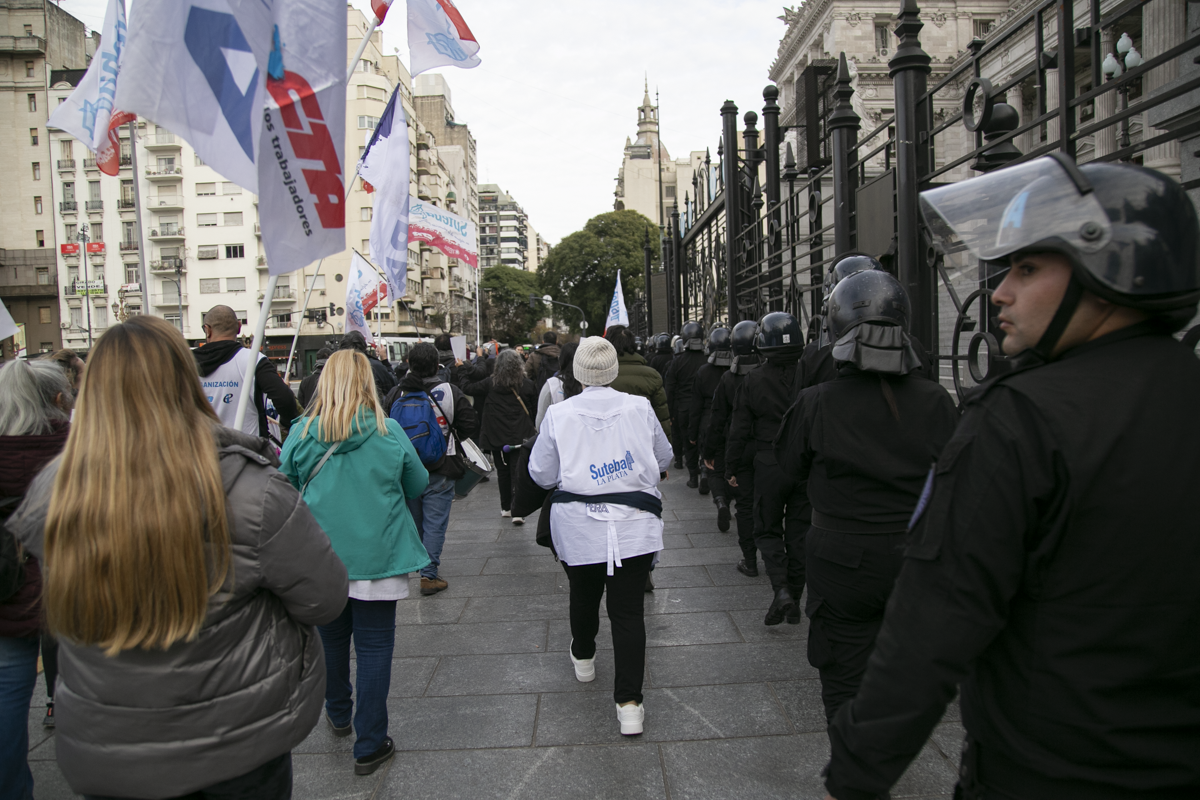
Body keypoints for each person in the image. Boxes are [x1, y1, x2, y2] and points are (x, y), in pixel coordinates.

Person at [822, 156, 1200, 800]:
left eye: (1027, 269)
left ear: (1105, 268)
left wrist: (858, 767)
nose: (999, 292)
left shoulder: (1020, 417)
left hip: (1047, 767)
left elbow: (936, 616)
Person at [8, 316, 347, 799]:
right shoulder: (250, 488)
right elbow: (324, 597)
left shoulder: (56, 490)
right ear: (185, 380)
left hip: (109, 748)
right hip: (235, 743)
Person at [778, 269, 959, 730]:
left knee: (843, 675)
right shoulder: (937, 400)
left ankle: (853, 759)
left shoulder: (816, 401)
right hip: (916, 553)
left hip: (841, 558)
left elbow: (788, 468)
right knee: (908, 672)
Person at [280, 349, 430, 777]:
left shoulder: (301, 432)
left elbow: (283, 486)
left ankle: (338, 712)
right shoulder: (388, 430)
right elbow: (418, 483)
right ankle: (370, 743)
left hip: (320, 559)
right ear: (369, 383)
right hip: (379, 557)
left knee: (329, 643)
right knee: (375, 648)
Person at [528, 337, 673, 737]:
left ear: (577, 372)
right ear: (612, 370)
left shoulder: (559, 414)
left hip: (578, 526)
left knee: (583, 593)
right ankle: (630, 704)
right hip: (635, 524)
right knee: (628, 613)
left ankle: (584, 654)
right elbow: (664, 456)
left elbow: (541, 473)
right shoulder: (640, 408)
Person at [0, 360, 72, 797]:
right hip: (72, 587)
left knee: (7, 697)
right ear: (58, 400)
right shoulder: (77, 446)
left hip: (6, 591)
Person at [726, 312, 809, 625]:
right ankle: (795, 599)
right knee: (799, 534)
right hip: (803, 463)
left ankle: (781, 589)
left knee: (768, 528)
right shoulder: (810, 374)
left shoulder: (753, 380)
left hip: (769, 461)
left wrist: (731, 466)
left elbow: (739, 428)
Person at [382, 343, 476, 597]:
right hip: (441, 466)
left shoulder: (397, 393)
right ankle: (429, 574)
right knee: (435, 522)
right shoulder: (449, 391)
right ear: (436, 365)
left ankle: (421, 562)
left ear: (409, 364)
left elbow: (385, 427)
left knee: (416, 522)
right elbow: (470, 424)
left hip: (406, 469)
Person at [193, 305, 299, 442]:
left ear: (207, 330)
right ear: (239, 327)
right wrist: (286, 423)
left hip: (200, 449)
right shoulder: (254, 360)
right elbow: (284, 398)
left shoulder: (185, 363)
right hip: (248, 449)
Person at [704, 320, 760, 575]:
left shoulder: (728, 379)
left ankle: (750, 559)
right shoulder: (772, 375)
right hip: (772, 450)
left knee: (745, 506)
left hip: (740, 447)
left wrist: (709, 452)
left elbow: (717, 419)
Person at [464, 349, 538, 523]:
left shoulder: (490, 384)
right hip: (521, 435)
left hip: (496, 435)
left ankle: (506, 507)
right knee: (518, 471)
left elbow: (467, 388)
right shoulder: (527, 385)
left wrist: (462, 368)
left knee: (503, 472)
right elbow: (534, 412)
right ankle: (518, 510)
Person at [687, 326, 731, 498]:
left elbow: (695, 406)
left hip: (707, 419)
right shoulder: (734, 373)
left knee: (709, 454)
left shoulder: (703, 371)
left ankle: (706, 473)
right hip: (731, 422)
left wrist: (692, 432)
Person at [606, 326, 672, 438]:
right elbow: (662, 419)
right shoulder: (652, 375)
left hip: (612, 441)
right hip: (644, 441)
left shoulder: (601, 377)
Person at [664, 321, 708, 486]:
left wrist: (670, 413)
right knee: (705, 440)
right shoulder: (708, 359)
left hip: (684, 408)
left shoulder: (677, 362)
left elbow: (670, 389)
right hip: (704, 408)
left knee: (689, 443)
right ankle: (704, 468)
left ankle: (693, 476)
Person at [339, 330, 395, 403]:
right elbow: (392, 387)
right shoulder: (375, 366)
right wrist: (384, 360)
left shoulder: (335, 367)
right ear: (364, 347)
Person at [536, 341, 579, 427]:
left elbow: (540, 423)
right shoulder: (589, 385)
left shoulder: (551, 385)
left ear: (560, 360)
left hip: (556, 433)